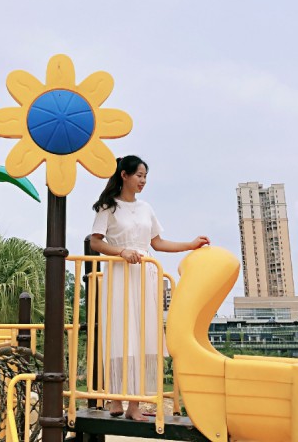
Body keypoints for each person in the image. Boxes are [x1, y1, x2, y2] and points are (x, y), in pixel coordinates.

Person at [89, 155, 210, 420]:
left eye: (145, 177)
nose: (143, 181)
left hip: (145, 274)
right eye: (139, 175)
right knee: (120, 332)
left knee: (143, 333)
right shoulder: (108, 207)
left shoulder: (146, 208)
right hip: (119, 274)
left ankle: (134, 405)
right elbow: (95, 242)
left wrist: (190, 245)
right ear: (124, 175)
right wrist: (121, 251)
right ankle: (115, 399)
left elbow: (157, 243)